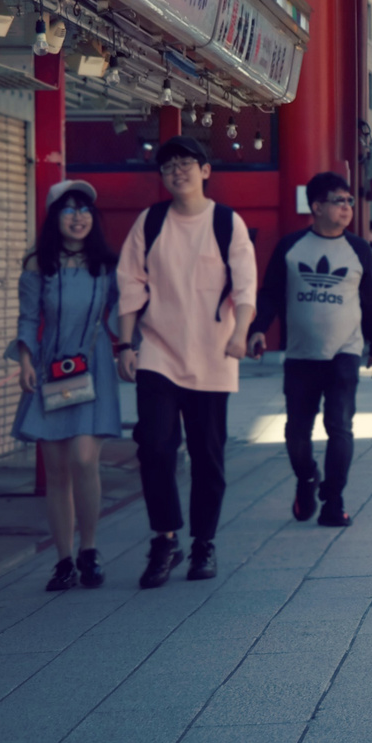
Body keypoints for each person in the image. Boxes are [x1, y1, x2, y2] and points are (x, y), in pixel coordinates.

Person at [117, 136, 257, 589]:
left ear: (205, 171)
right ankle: (165, 538)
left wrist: (239, 334)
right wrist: (125, 343)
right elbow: (131, 283)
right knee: (154, 447)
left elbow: (245, 288)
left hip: (214, 354)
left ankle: (203, 543)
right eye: (168, 165)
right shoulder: (150, 221)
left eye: (186, 163)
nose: (177, 171)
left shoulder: (225, 223)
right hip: (158, 352)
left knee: (207, 456)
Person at [249, 172, 372, 528]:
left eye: (349, 201)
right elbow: (270, 294)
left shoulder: (357, 248)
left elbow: (369, 299)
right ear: (317, 207)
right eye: (338, 201)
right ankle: (307, 476)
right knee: (297, 431)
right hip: (300, 356)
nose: (346, 207)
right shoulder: (291, 247)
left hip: (345, 352)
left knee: (339, 426)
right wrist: (258, 330)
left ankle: (334, 499)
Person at [9, 180, 122, 591]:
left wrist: (130, 348)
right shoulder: (39, 266)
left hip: (95, 373)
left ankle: (89, 548)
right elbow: (26, 320)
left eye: (85, 209)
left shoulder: (109, 267)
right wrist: (24, 359)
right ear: (54, 217)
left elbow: (128, 311)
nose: (78, 216)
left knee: (84, 458)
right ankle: (63, 560)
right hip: (52, 371)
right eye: (68, 209)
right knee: (56, 470)